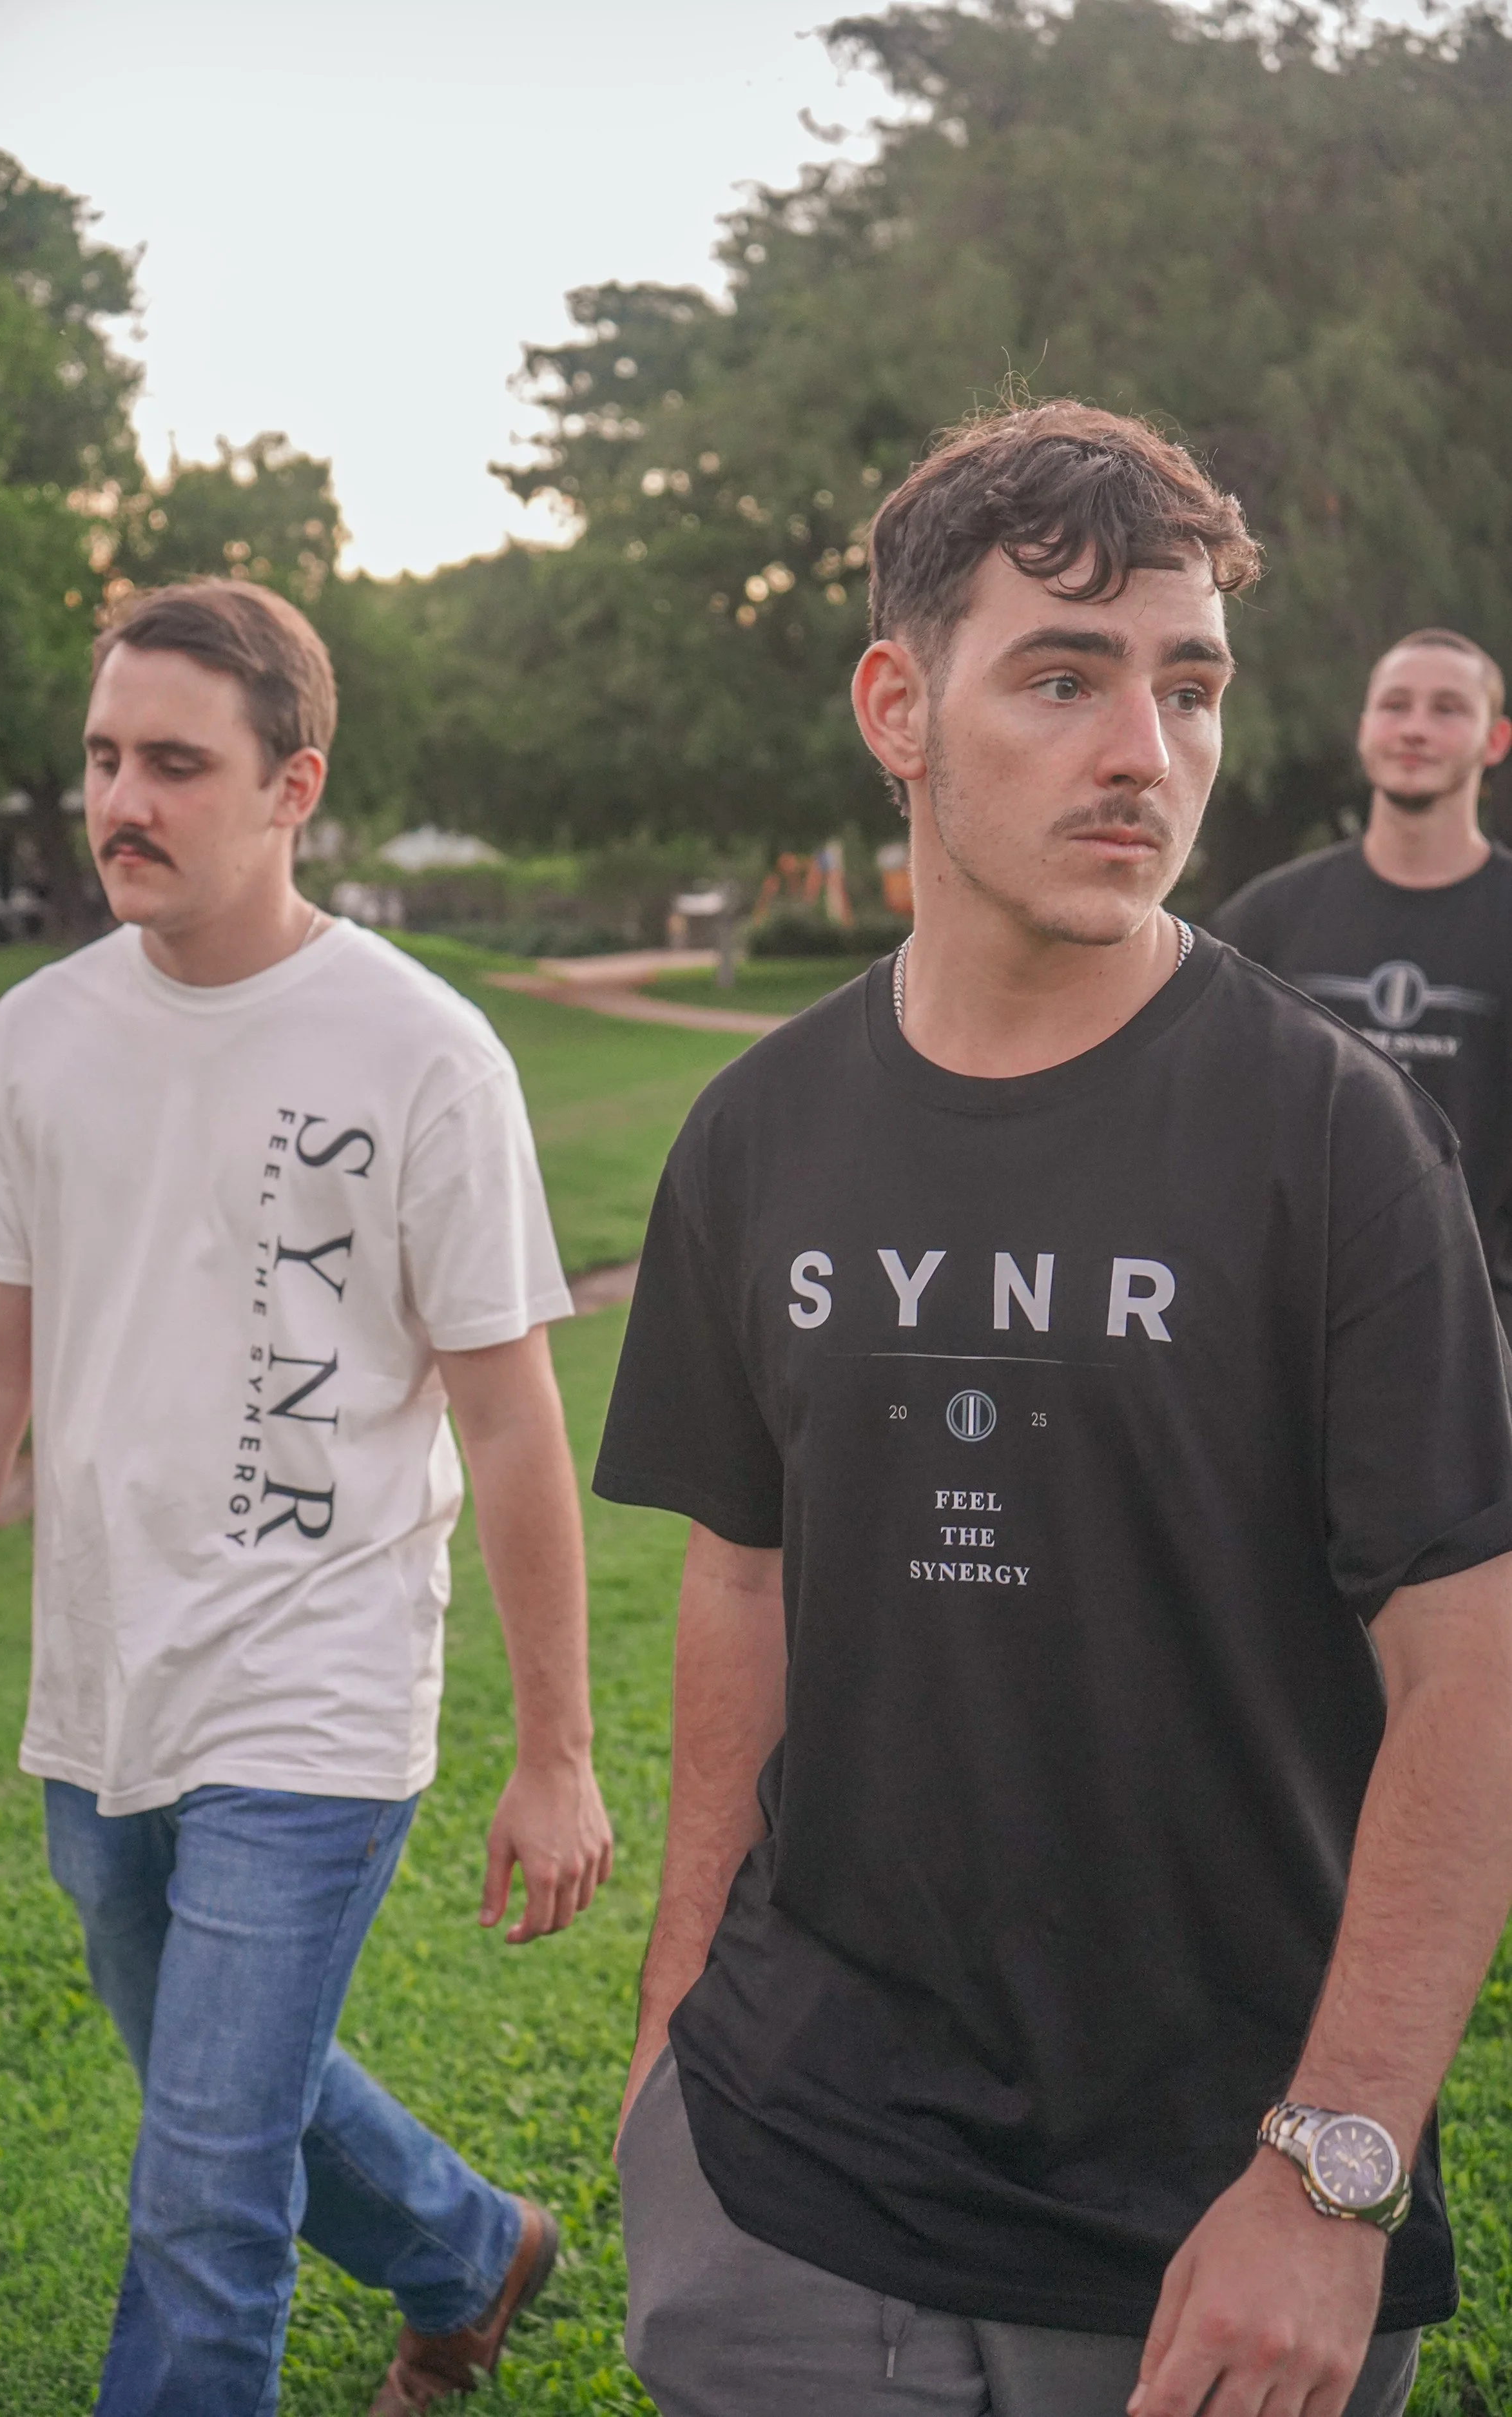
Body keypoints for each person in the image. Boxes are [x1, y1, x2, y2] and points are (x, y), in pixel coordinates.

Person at [592, 403, 1512, 2417]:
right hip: (788, 2181)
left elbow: (1470, 1671)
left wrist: (1331, 2169)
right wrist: (674, 2028)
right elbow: (739, 1588)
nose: (1142, 753)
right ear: (894, 707)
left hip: (1205, 2238)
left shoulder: (1340, 1140)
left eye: (1184, 686)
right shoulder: (754, 1137)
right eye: (1061, 676)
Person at [0, 579, 613, 2417]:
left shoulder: (423, 1048)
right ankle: (471, 2248)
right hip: (102, 1676)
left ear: (292, 786)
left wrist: (557, 1748)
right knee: (226, 2078)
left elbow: (512, 1415)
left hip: (316, 1680)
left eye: (176, 766)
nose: (122, 799)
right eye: (103, 758)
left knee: (207, 2182)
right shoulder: (43, 1034)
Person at [1211, 630, 1512, 1331]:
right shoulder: (1266, 918)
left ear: (1494, 741)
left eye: (1446, 709)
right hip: (1285, 1324)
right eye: (1394, 705)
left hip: (1479, 1329)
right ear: (1363, 729)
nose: (1413, 728)